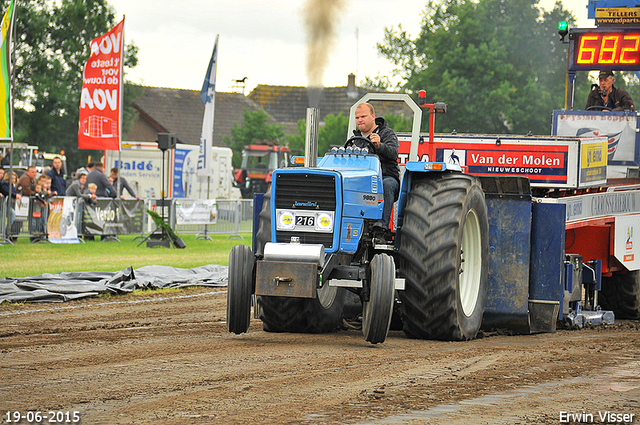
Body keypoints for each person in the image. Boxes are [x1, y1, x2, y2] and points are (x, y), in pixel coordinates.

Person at [352, 102, 400, 236]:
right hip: (361, 179)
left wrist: (380, 146)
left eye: (363, 116)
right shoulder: (355, 140)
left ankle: (381, 225)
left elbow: (393, 153)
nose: (360, 120)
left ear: (373, 116)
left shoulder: (387, 133)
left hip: (385, 176)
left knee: (387, 184)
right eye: (357, 118)